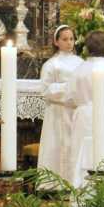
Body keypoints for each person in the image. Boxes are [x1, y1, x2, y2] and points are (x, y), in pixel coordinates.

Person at [67, 31, 104, 186]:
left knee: (80, 156)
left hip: (83, 116)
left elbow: (70, 95)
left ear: (87, 47)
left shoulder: (79, 70)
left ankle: (79, 194)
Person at [37, 25, 83, 183]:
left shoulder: (80, 62)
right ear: (56, 42)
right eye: (65, 39)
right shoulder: (51, 64)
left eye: (71, 39)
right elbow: (45, 89)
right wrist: (68, 89)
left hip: (76, 112)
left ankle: (73, 183)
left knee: (74, 146)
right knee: (56, 147)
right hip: (57, 112)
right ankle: (53, 184)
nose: (69, 42)